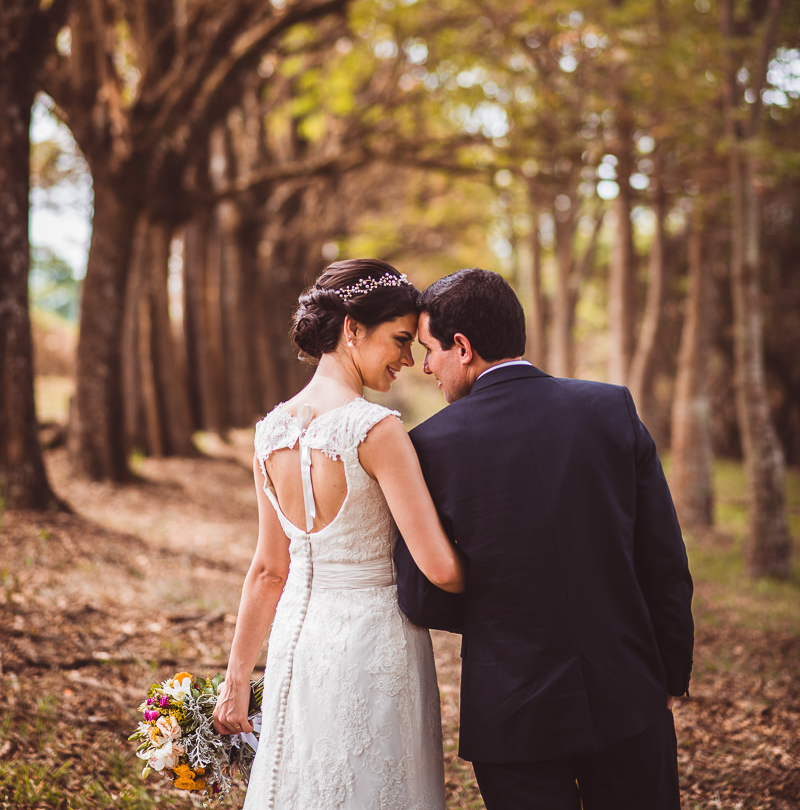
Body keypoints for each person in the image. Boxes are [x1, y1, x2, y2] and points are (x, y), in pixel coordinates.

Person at [395, 268, 694, 810]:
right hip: (629, 693)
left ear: (462, 347)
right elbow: (664, 560)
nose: (425, 365)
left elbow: (421, 594)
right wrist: (670, 674)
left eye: (429, 349)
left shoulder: (428, 445)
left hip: (512, 711)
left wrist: (497, 606)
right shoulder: (611, 408)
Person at [213, 258, 464, 810]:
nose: (408, 359)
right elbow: (440, 568)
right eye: (400, 340)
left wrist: (236, 679)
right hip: (377, 644)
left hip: (296, 643)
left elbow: (268, 570)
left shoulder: (270, 432)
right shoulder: (375, 429)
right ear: (352, 328)